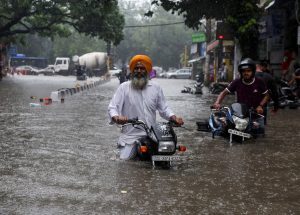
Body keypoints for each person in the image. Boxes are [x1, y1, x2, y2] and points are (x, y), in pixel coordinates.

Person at [108, 54, 184, 160]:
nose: (139, 71)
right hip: (131, 137)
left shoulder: (156, 88)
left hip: (153, 136)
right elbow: (112, 107)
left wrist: (173, 117)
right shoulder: (123, 88)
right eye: (136, 68)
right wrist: (116, 117)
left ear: (147, 70)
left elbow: (164, 108)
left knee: (168, 155)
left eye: (142, 68)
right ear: (132, 71)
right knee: (124, 161)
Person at [213, 58, 269, 123]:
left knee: (259, 131)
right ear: (241, 72)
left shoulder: (259, 82)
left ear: (253, 72)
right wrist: (217, 102)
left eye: (248, 71)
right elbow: (224, 92)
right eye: (244, 71)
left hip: (256, 113)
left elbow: (267, 96)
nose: (246, 73)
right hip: (240, 112)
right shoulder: (236, 82)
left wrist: (260, 106)